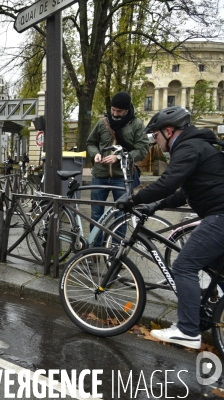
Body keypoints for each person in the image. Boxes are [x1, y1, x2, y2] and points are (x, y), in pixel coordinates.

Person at [115, 106, 224, 350]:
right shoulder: (197, 146)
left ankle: (187, 330)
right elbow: (184, 192)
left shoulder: (187, 147)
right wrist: (154, 205)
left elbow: (168, 182)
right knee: (216, 268)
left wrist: (133, 199)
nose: (155, 140)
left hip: (220, 217)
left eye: (156, 135)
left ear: (169, 130)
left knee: (184, 265)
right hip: (217, 215)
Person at [86, 91, 149, 246]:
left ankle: (115, 251)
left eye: (119, 111)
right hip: (100, 174)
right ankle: (94, 249)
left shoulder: (136, 124)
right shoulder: (102, 123)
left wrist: (119, 156)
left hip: (122, 177)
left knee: (121, 216)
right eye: (113, 110)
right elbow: (91, 142)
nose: (115, 113)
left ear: (127, 110)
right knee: (96, 214)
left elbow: (142, 150)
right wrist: (95, 154)